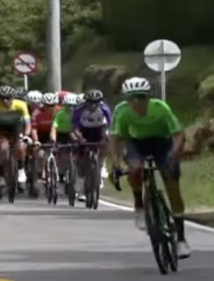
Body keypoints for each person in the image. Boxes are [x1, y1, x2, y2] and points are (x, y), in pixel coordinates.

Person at [109, 77, 189, 258]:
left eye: (141, 97)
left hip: (163, 143)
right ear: (126, 100)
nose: (136, 102)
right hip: (137, 143)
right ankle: (139, 205)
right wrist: (115, 164)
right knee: (135, 169)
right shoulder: (122, 112)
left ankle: (181, 239)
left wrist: (172, 156)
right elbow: (115, 139)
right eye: (132, 98)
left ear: (148, 97)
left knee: (172, 185)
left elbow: (179, 135)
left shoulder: (160, 108)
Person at [0, 86, 31, 189]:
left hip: (17, 127)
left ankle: (21, 170)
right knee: (3, 148)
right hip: (2, 128)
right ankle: (1, 175)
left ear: (13, 98)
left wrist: (26, 135)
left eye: (8, 98)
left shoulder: (21, 105)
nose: (5, 100)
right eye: (2, 98)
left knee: (21, 147)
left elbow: (28, 123)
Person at [72, 89, 111, 183]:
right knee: (80, 149)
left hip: (99, 128)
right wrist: (80, 138)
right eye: (90, 103)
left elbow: (110, 125)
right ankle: (80, 167)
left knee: (106, 144)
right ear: (86, 102)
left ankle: (101, 165)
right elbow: (75, 127)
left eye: (96, 103)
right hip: (84, 130)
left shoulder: (104, 109)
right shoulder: (79, 109)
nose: (93, 105)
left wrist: (105, 137)